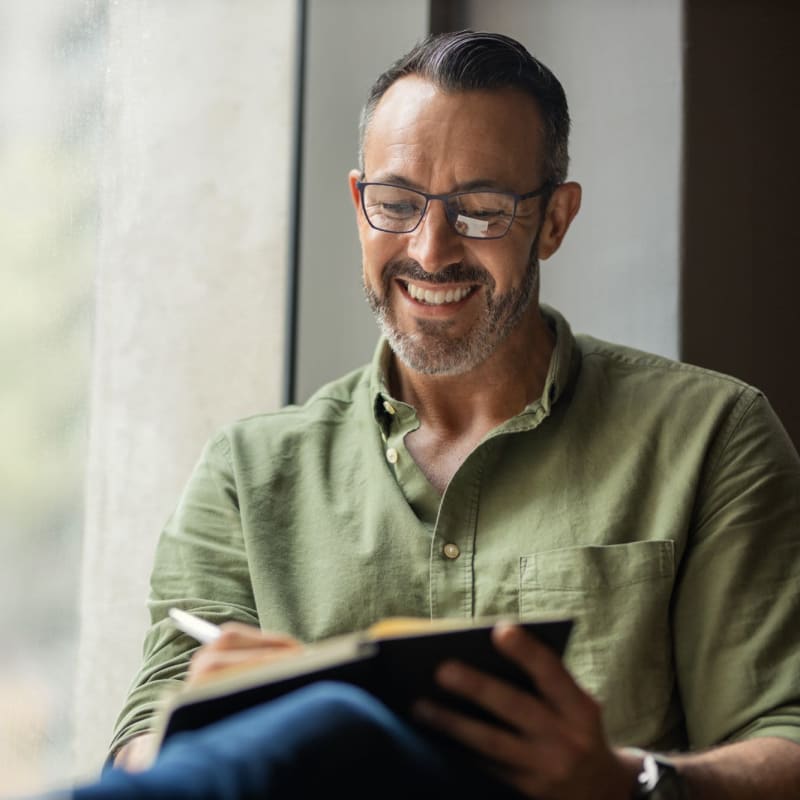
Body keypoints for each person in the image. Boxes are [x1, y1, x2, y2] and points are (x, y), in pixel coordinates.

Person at [104, 29, 800, 799]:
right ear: (359, 206)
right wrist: (229, 721)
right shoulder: (246, 473)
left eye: (481, 210)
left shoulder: (712, 435)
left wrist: (624, 780)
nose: (431, 251)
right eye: (396, 203)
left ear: (555, 220)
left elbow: (788, 737)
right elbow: (137, 745)